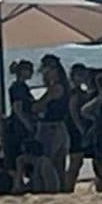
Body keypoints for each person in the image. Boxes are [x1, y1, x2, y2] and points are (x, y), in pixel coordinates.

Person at [31, 54, 71, 191]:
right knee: (59, 165)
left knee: (47, 162)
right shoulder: (63, 86)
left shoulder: (55, 88)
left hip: (50, 128)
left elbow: (38, 106)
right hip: (60, 127)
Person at [65, 63, 94, 192]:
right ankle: (68, 188)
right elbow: (73, 113)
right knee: (75, 161)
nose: (82, 78)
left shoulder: (80, 92)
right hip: (74, 130)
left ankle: (69, 186)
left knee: (77, 161)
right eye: (79, 75)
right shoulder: (74, 93)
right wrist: (81, 129)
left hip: (76, 129)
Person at [5, 60, 36, 176]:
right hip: (19, 127)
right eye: (28, 69)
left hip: (19, 126)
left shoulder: (22, 87)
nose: (31, 72)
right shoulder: (18, 88)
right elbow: (18, 109)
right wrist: (29, 125)